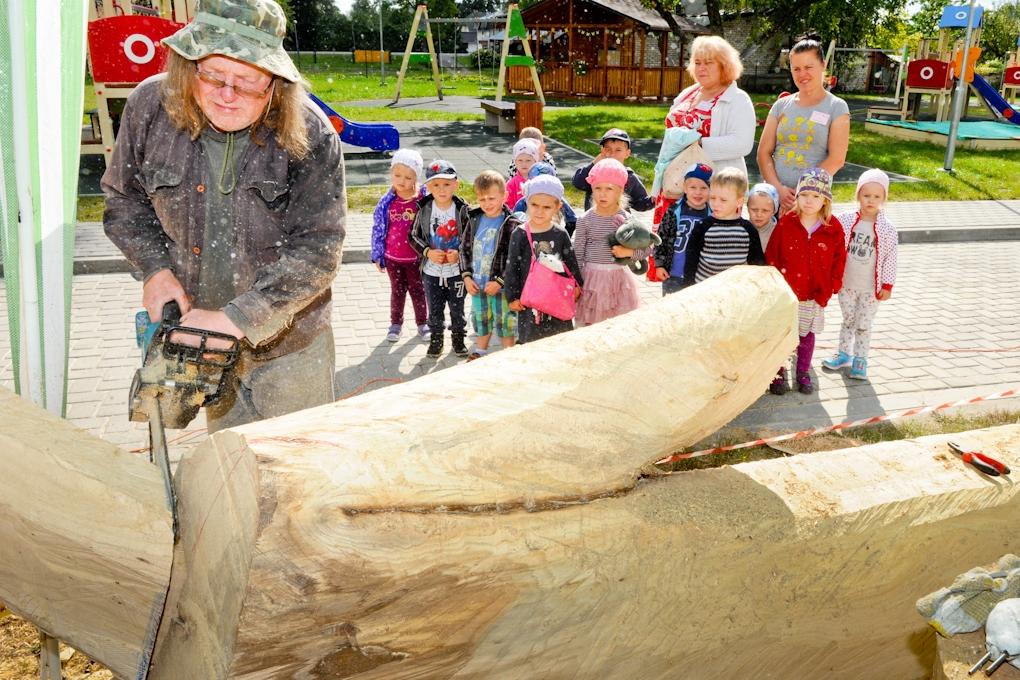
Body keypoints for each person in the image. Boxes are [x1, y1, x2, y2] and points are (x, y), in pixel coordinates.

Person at [102, 0, 345, 432]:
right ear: (188, 65)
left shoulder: (311, 133)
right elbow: (125, 200)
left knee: (297, 465)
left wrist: (237, 317)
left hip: (292, 348)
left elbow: (319, 250)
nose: (228, 94)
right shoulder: (148, 109)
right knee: (231, 468)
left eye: (248, 81)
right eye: (213, 75)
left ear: (275, 83)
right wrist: (155, 270)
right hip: (202, 339)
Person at [765, 168, 846, 395]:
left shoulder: (833, 228)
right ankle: (778, 373)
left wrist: (832, 286)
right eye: (804, 195)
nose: (809, 201)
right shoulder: (786, 223)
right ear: (797, 196)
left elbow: (839, 260)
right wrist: (774, 284)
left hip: (813, 293)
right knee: (782, 334)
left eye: (816, 197)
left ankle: (802, 372)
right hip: (786, 294)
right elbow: (773, 254)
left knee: (805, 335)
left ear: (825, 200)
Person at [757, 38, 850, 214]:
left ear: (823, 65)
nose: (802, 74)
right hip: (774, 200)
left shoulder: (837, 107)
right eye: (796, 69)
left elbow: (836, 159)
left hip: (811, 202)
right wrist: (777, 189)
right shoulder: (781, 106)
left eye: (808, 67)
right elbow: (763, 152)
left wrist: (803, 192)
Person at [823, 169, 898, 380]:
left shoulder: (887, 229)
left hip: (870, 288)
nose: (871, 200)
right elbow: (832, 243)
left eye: (877, 196)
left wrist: (887, 285)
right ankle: (844, 354)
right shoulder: (845, 220)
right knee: (848, 320)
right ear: (858, 195)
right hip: (846, 283)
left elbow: (891, 258)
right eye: (866, 195)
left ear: (884, 198)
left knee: (863, 324)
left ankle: (860, 360)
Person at [503, 175, 584, 344]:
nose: (539, 211)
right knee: (531, 340)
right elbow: (512, 267)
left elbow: (570, 261)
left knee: (560, 339)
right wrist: (512, 296)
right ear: (527, 202)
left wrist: (577, 284)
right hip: (530, 299)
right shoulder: (520, 233)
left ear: (557, 207)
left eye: (546, 207)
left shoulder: (560, 233)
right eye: (534, 205)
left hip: (557, 296)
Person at [664, 35, 756, 175]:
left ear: (724, 65)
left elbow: (742, 144)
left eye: (708, 62)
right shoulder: (687, 93)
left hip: (715, 184)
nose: (701, 68)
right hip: (674, 179)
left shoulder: (738, 99)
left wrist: (698, 143)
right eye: (697, 62)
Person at [409, 159, 471, 359]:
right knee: (434, 307)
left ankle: (458, 338)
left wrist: (459, 253)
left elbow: (470, 237)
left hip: (456, 272)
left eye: (446, 184)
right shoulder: (424, 208)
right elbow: (412, 236)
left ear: (456, 184)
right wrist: (427, 251)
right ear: (428, 187)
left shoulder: (463, 209)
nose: (442, 190)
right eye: (436, 185)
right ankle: (436, 339)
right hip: (431, 271)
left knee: (457, 306)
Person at [573, 159, 645, 326]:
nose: (602, 194)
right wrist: (576, 282)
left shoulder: (627, 221)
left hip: (618, 281)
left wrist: (628, 253)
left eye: (609, 189)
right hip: (591, 282)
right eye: (598, 188)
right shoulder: (585, 220)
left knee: (616, 326)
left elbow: (647, 249)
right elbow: (577, 254)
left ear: (620, 191)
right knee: (590, 326)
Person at [459, 170, 522, 361]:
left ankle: (508, 354)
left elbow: (515, 258)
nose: (487, 203)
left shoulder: (512, 224)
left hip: (501, 287)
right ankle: (481, 350)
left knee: (505, 321)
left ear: (505, 196)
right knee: (481, 319)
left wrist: (500, 281)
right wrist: (466, 276)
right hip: (478, 284)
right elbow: (464, 249)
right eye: (482, 199)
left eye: (492, 198)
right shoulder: (474, 219)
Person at [370, 148, 430, 343]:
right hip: (393, 257)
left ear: (415, 178)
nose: (401, 180)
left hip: (416, 258)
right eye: (397, 175)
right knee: (397, 291)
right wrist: (377, 254)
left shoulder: (422, 200)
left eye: (407, 177)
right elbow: (378, 229)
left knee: (418, 290)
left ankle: (423, 323)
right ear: (391, 174)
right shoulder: (387, 203)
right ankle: (395, 324)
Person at [683, 167, 764, 286]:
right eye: (713, 198)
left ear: (739, 201)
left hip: (734, 293)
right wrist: (688, 287)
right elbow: (691, 260)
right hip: (705, 290)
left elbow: (757, 264)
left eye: (723, 200)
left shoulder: (748, 230)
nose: (716, 204)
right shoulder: (703, 226)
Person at [653, 163, 713, 295]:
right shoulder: (674, 211)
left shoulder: (712, 215)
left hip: (700, 276)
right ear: (685, 188)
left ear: (711, 190)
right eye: (693, 187)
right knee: (671, 310)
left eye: (704, 188)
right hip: (673, 274)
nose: (698, 192)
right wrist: (659, 264)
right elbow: (661, 238)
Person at [572, 129, 654, 212]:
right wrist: (594, 163)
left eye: (618, 150)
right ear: (602, 151)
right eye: (608, 149)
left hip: (620, 223)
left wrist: (654, 200)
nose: (612, 153)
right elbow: (578, 183)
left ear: (627, 153)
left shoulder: (629, 176)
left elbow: (640, 203)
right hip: (594, 222)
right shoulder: (595, 172)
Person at [512, 162, 578, 235]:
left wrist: (564, 234)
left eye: (547, 207)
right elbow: (513, 220)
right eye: (534, 204)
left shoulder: (557, 199)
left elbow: (572, 220)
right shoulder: (524, 201)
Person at [505, 139, 540, 209]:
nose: (524, 164)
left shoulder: (540, 180)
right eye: (520, 160)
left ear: (535, 161)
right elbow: (508, 204)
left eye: (528, 160)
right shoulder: (511, 184)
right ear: (515, 162)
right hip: (518, 217)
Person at [747, 182, 780, 251]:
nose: (759, 215)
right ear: (747, 207)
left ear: (774, 211)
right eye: (754, 210)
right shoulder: (742, 229)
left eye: (765, 210)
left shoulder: (778, 232)